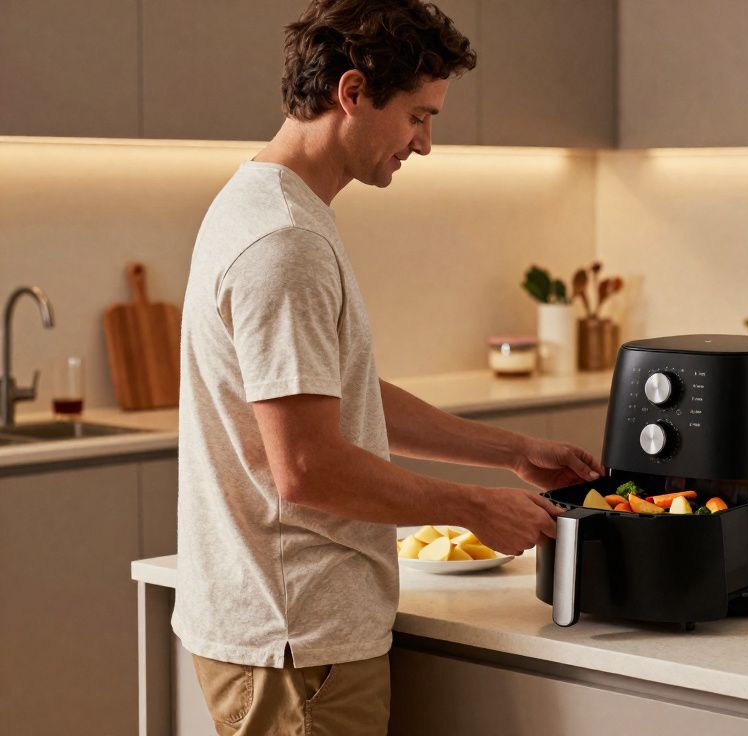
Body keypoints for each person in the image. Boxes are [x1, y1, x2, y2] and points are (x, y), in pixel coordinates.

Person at [172, 2, 602, 733]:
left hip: (294, 635)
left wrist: (514, 452)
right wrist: (473, 506)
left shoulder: (274, 208)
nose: (425, 144)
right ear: (351, 94)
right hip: (297, 640)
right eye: (416, 116)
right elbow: (307, 467)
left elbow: (336, 399)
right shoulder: (284, 241)